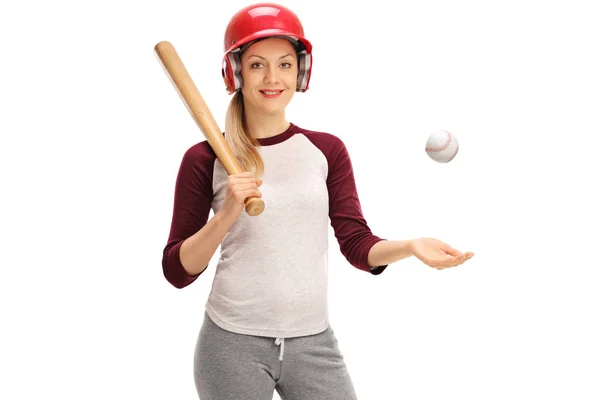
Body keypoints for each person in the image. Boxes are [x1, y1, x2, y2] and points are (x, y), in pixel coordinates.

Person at [161, 2, 474, 399]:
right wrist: (225, 216)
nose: (272, 77)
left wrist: (410, 247)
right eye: (257, 64)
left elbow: (357, 245)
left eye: (285, 64)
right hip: (231, 343)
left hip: (313, 342)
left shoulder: (326, 150)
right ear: (236, 72)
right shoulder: (205, 158)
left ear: (301, 72)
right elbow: (176, 270)